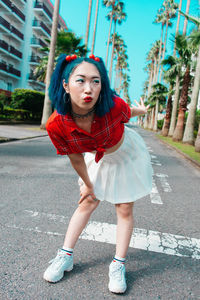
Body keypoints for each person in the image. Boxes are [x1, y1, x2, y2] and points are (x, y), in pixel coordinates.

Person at [43, 53, 153, 294]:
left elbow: (128, 112)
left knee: (124, 208)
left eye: (96, 81)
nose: (88, 88)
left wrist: (142, 111)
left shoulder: (113, 106)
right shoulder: (56, 124)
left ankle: (118, 264)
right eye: (80, 80)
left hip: (126, 154)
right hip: (98, 158)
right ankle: (65, 255)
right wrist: (87, 183)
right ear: (65, 84)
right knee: (87, 201)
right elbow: (75, 156)